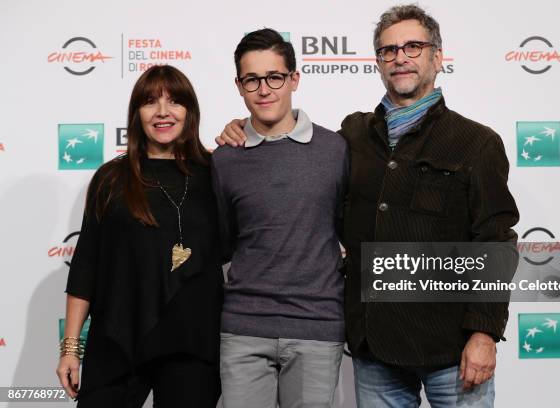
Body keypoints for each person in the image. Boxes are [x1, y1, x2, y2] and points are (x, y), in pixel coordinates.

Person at [216, 5, 519, 407]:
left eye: (413, 46)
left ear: (438, 56)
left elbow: (495, 243)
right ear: (378, 62)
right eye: (388, 50)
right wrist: (240, 127)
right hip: (376, 349)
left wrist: (483, 333)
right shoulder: (354, 136)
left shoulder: (475, 142)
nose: (400, 58)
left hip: (451, 346)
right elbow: (287, 161)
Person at [56, 65, 223, 408]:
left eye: (175, 101)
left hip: (190, 346)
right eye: (150, 102)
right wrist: (71, 348)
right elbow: (86, 267)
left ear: (190, 111)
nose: (163, 112)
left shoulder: (217, 174)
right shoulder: (111, 179)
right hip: (118, 340)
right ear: (136, 114)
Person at [212, 29, 348, 408]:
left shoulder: (334, 150)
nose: (264, 89)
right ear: (239, 86)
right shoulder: (225, 157)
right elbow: (225, 239)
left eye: (274, 77)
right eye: (251, 79)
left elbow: (344, 227)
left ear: (294, 80)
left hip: (316, 327)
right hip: (243, 327)